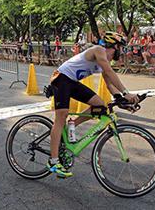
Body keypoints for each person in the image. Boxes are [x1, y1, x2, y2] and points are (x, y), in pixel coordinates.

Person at [46, 31, 139, 178]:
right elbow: (109, 71)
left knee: (100, 105)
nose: (121, 51)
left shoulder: (104, 60)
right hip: (61, 79)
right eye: (120, 47)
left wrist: (122, 100)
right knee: (60, 117)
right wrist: (126, 92)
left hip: (72, 82)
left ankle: (73, 123)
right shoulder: (98, 51)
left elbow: (109, 84)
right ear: (114, 46)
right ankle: (53, 161)